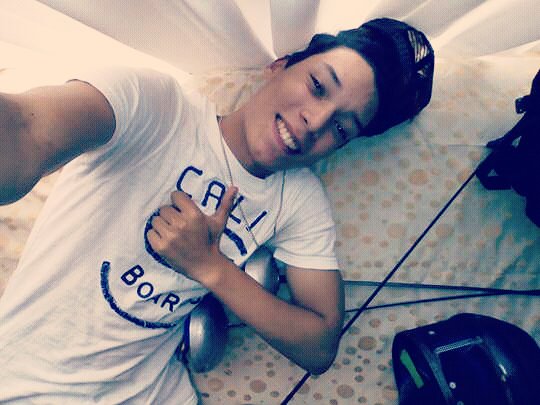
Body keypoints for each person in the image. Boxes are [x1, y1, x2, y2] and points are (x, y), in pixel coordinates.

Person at [0, 18, 434, 404]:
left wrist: (210, 267)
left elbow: (319, 347)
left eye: (340, 127)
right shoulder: (156, 104)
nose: (315, 121)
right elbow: (27, 130)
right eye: (318, 86)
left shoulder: (298, 200)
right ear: (281, 65)